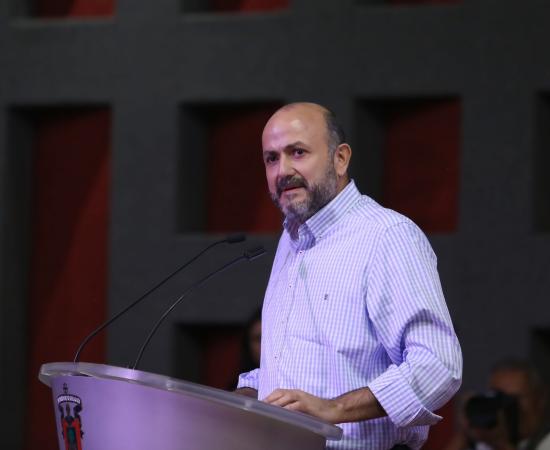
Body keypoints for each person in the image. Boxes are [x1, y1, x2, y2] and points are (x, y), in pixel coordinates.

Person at [235, 102, 463, 449]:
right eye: (271, 158)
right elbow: (301, 363)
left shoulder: (386, 236)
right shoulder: (291, 238)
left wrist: (336, 408)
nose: (283, 171)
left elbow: (438, 364)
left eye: (298, 152)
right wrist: (246, 396)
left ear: (340, 159)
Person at [444, 359, 550, 450]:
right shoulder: (484, 441)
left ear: (540, 399)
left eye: (514, 398)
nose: (506, 407)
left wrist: (500, 443)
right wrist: (464, 434)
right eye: (498, 397)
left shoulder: (546, 442)